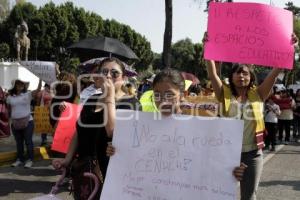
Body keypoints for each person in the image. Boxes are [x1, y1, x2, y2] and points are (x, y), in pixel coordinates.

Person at [107, 69, 247, 182]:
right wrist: (118, 151)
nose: (162, 100)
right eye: (157, 94)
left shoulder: (201, 125)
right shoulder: (143, 126)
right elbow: (135, 158)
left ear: (182, 95)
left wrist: (233, 170)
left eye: (169, 95)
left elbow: (217, 161)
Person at [205, 33, 298, 200]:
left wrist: (289, 48)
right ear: (231, 77)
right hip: (226, 152)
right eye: (238, 73)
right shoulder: (222, 93)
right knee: (221, 194)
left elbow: (275, 71)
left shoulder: (259, 93)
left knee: (249, 196)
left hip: (253, 154)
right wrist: (208, 47)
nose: (241, 76)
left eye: (245, 74)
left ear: (251, 77)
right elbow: (212, 73)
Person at [52, 57, 139, 199]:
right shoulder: (92, 99)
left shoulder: (131, 103)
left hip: (111, 171)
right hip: (85, 169)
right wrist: (67, 160)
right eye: (104, 72)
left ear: (123, 78)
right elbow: (79, 131)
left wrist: (109, 97)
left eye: (114, 73)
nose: (108, 76)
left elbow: (112, 132)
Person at [7, 78, 41, 168]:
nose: (21, 85)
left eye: (22, 84)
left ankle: (30, 160)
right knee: (19, 143)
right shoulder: (10, 97)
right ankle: (19, 159)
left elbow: (38, 90)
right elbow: (8, 110)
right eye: (18, 84)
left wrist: (40, 79)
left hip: (28, 122)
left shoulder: (27, 95)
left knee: (28, 142)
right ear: (14, 85)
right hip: (15, 123)